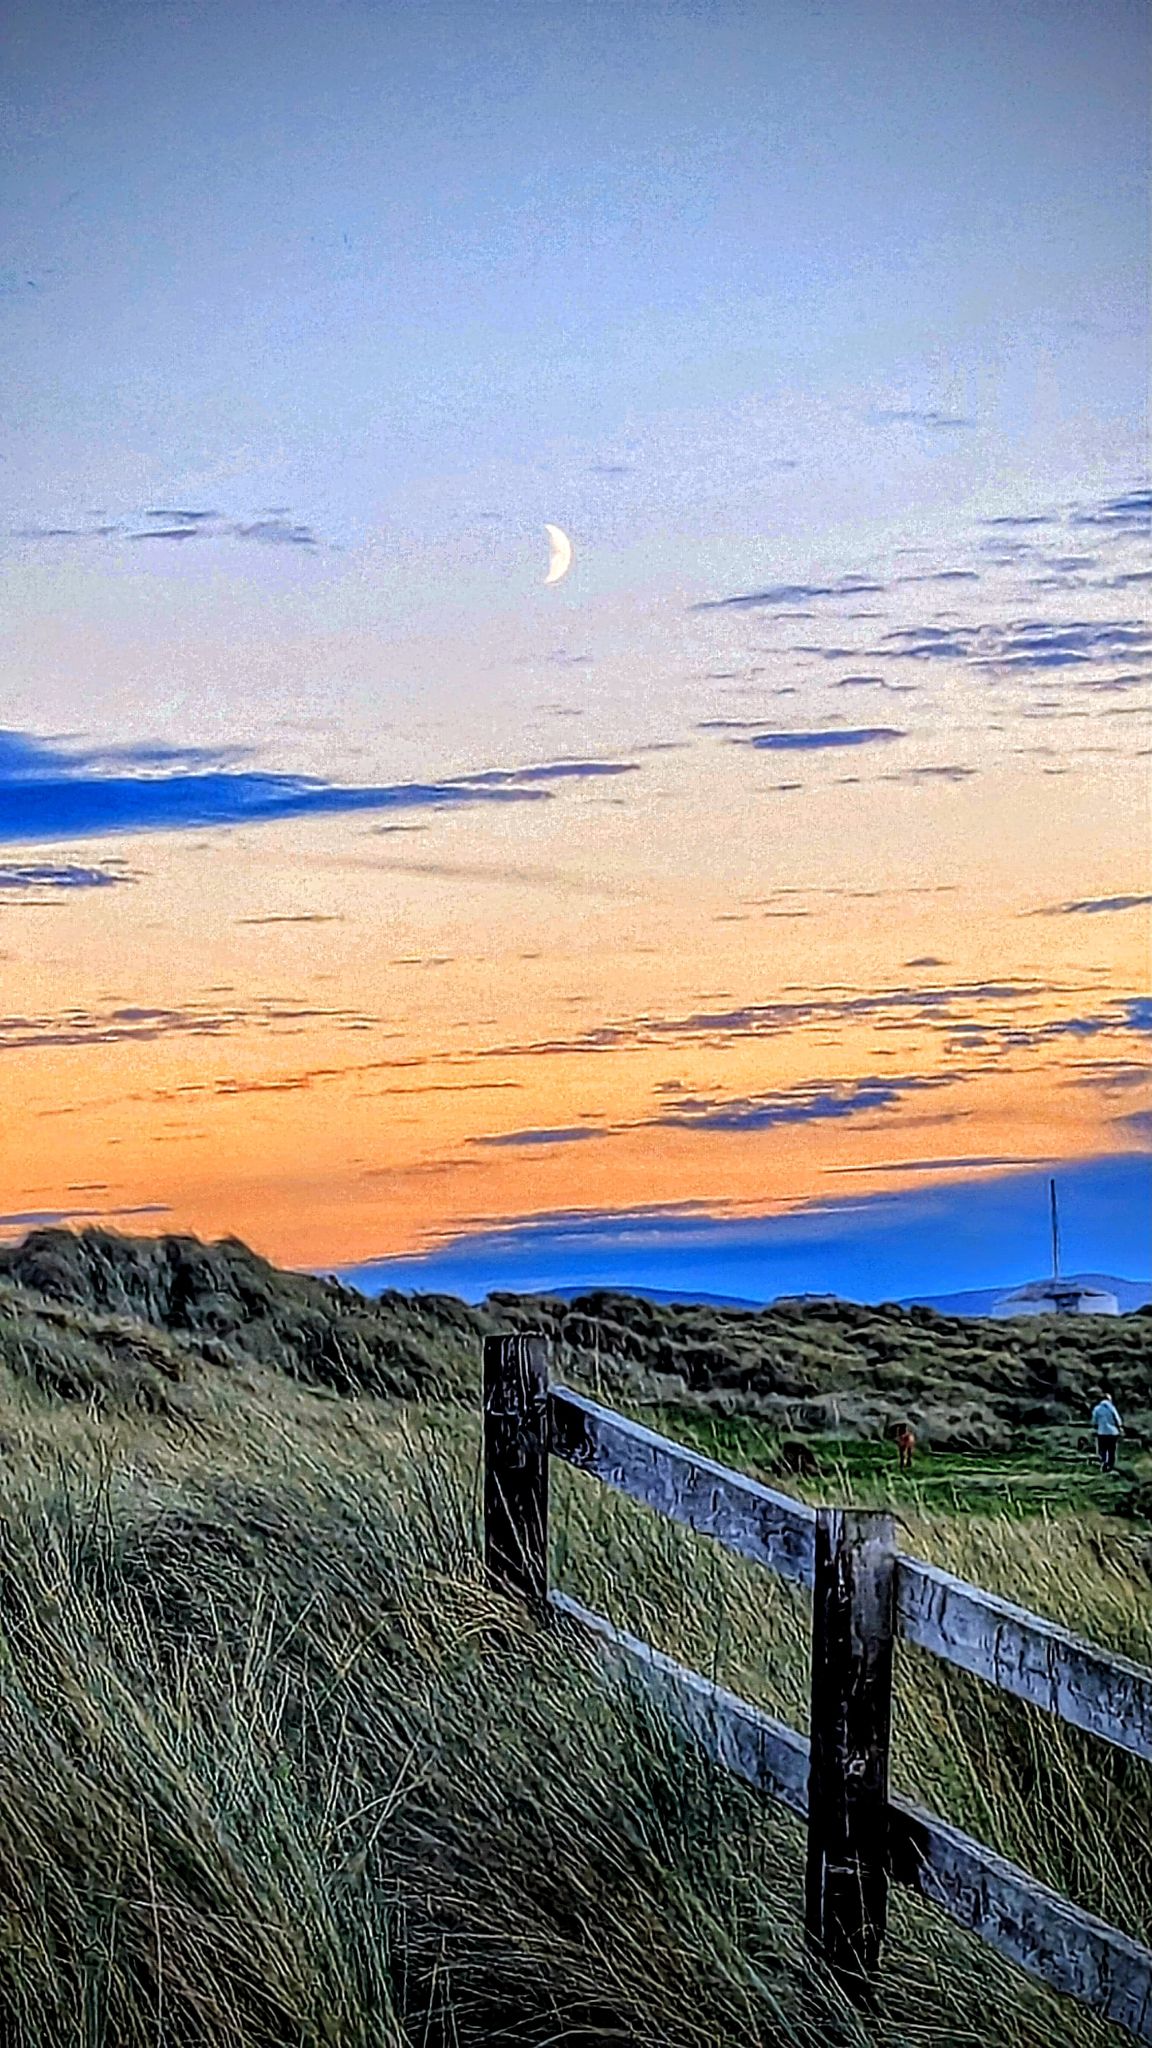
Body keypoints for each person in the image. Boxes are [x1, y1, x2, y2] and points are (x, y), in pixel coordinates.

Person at [1091, 1389, 1123, 1473]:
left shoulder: (1097, 1408)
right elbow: (1117, 1419)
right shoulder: (1112, 1408)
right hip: (1112, 1432)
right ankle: (1110, 1465)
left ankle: (1104, 1462)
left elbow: (1094, 1421)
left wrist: (1096, 1426)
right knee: (1112, 1450)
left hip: (1101, 1432)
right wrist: (1120, 1427)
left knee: (1103, 1449)